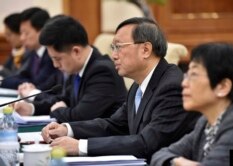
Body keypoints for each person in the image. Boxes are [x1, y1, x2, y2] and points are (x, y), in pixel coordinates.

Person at [41, 17, 200, 162]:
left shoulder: (171, 87)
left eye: (118, 47)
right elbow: (113, 125)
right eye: (113, 47)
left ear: (145, 50)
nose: (114, 55)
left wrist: (80, 147)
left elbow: (147, 143)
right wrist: (67, 130)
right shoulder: (139, 84)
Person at [150, 43, 233, 166]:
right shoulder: (205, 123)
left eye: (194, 75)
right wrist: (179, 161)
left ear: (223, 87)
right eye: (186, 75)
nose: (184, 84)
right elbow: (161, 155)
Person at [14, 15, 127, 122]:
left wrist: (57, 111)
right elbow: (63, 100)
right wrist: (31, 108)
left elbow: (80, 116)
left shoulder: (102, 72)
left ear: (76, 52)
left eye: (57, 59)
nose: (55, 65)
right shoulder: (78, 66)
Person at [1, 7, 61, 90]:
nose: (22, 38)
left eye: (26, 33)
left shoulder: (51, 54)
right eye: (21, 33)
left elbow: (35, 84)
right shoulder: (34, 52)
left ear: (41, 31)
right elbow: (23, 76)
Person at [0, 13, 30, 78]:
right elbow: (6, 68)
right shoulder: (16, 50)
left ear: (20, 33)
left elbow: (18, 76)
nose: (7, 39)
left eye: (9, 35)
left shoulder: (30, 51)